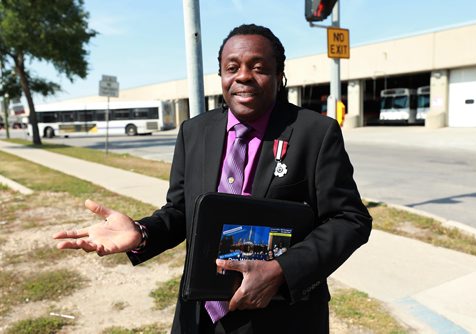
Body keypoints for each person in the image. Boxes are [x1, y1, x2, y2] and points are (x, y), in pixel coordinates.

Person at [53, 24, 372, 333]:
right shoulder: (194, 132)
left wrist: (281, 272)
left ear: (279, 76)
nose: (243, 76)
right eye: (232, 67)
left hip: (282, 315)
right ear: (221, 75)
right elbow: (180, 212)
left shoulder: (314, 133)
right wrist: (141, 232)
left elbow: (349, 219)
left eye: (258, 67)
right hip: (199, 314)